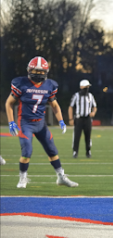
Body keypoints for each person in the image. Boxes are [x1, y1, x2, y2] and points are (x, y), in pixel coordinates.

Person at [5, 56, 78, 188]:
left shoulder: (50, 85)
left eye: (41, 71)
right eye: (36, 71)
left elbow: (55, 105)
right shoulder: (21, 83)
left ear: (46, 72)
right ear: (29, 70)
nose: (38, 74)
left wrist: (61, 120)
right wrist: (11, 122)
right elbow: (9, 103)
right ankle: (23, 178)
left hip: (41, 124)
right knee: (27, 151)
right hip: (25, 123)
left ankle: (61, 177)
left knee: (52, 150)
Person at [68, 79, 97, 158]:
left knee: (88, 136)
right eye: (86, 87)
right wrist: (70, 119)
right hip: (79, 118)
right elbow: (71, 107)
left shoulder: (90, 96)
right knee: (77, 136)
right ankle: (75, 152)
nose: (87, 88)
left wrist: (93, 112)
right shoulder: (76, 95)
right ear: (81, 87)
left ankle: (88, 151)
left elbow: (95, 106)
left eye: (88, 87)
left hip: (87, 119)